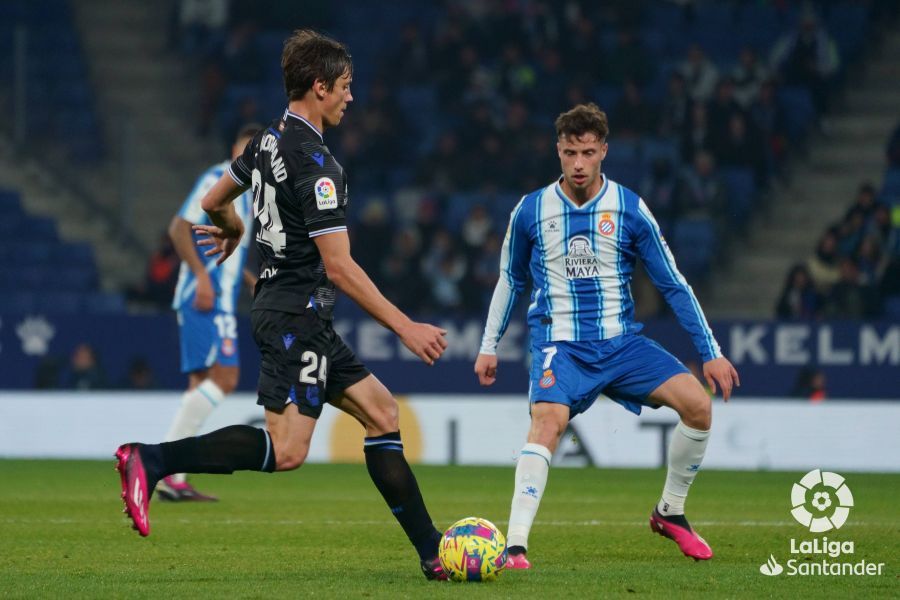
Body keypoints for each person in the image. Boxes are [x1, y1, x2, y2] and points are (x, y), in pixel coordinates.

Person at [115, 29, 450, 580]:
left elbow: (211, 201)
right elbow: (340, 266)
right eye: (344, 86)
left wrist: (234, 226)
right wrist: (405, 326)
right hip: (296, 313)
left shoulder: (265, 141)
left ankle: (432, 552)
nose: (350, 97)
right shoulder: (318, 164)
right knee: (288, 449)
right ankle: (152, 459)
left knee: (382, 413)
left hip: (289, 308)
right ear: (319, 87)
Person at [474, 104, 739, 569]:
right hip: (561, 344)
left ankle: (670, 512)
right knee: (548, 422)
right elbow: (510, 280)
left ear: (604, 153)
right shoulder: (532, 209)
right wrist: (488, 346)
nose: (578, 163)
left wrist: (710, 353)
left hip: (621, 344)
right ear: (557, 151)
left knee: (698, 406)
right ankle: (515, 545)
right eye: (570, 152)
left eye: (588, 153)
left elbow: (674, 283)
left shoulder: (630, 209)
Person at [155, 125, 260, 502]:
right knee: (226, 377)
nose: (249, 157)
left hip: (221, 298)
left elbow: (225, 248)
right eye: (245, 150)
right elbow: (178, 228)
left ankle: (173, 476)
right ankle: (160, 464)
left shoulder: (247, 194)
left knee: (201, 385)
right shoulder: (217, 179)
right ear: (234, 148)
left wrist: (247, 278)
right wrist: (201, 277)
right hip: (204, 297)